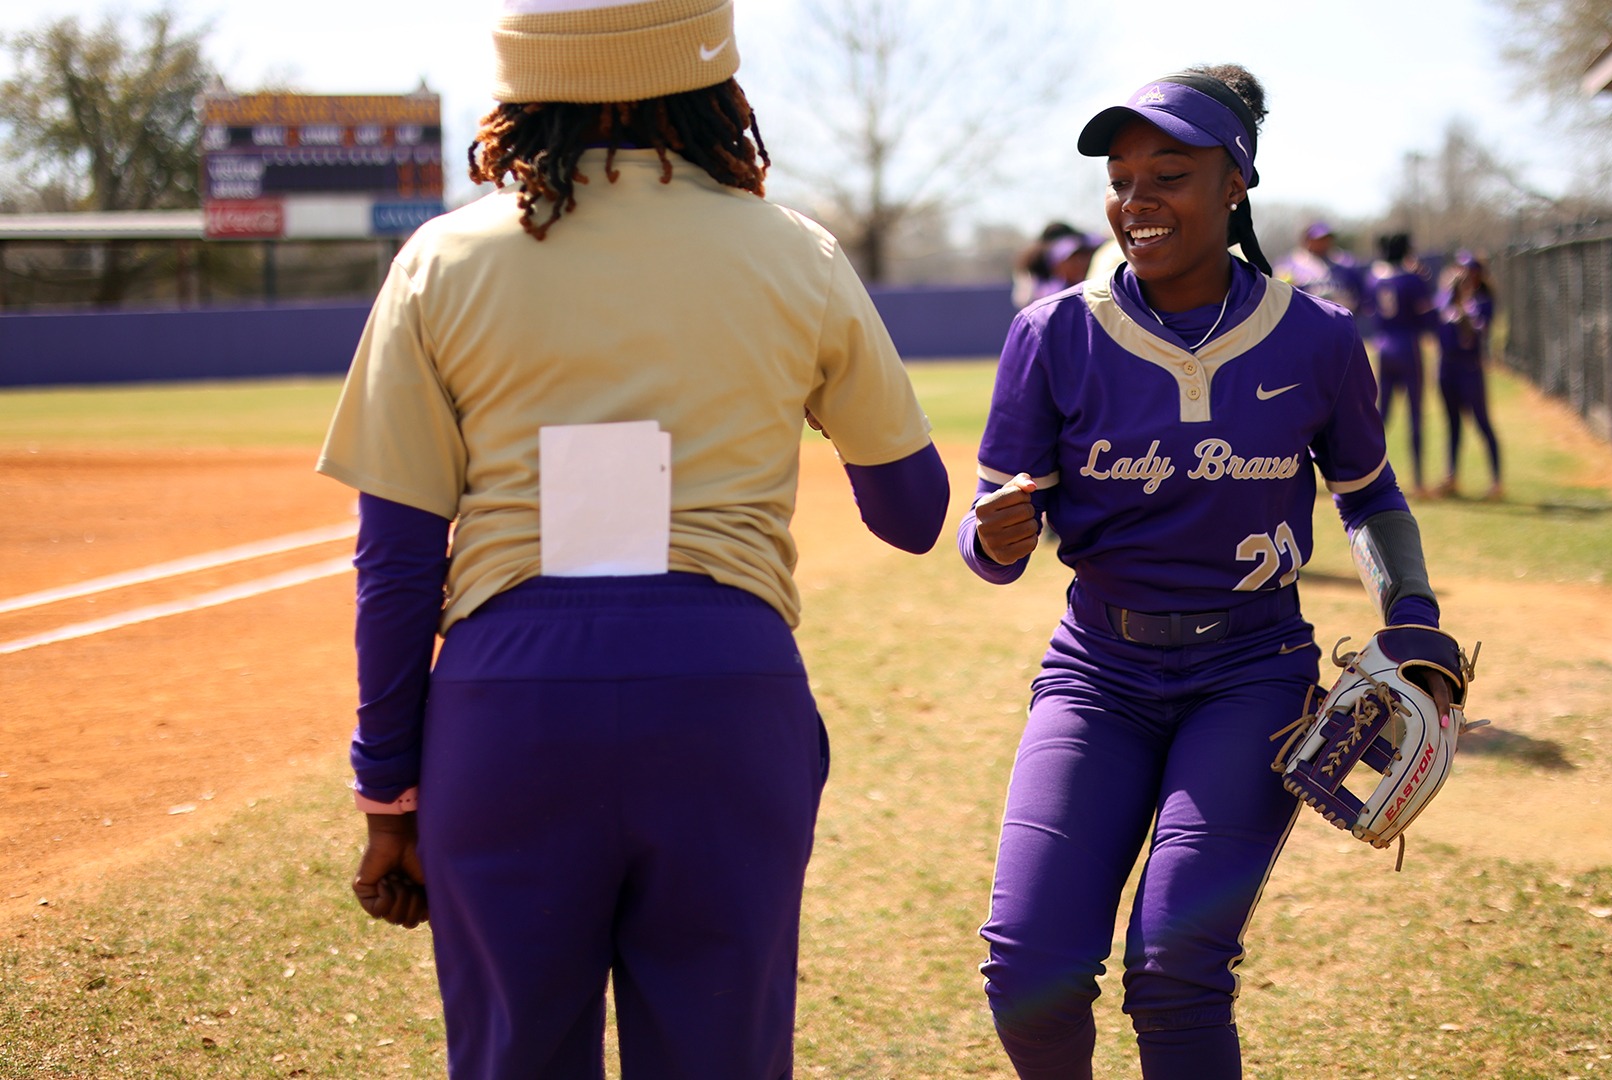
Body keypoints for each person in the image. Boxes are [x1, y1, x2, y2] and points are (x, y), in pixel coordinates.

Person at [316, 1, 949, 1075]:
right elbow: (913, 513)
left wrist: (390, 794)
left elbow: (397, 565)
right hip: (725, 696)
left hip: (504, 709)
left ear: (522, 86)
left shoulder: (442, 258)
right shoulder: (795, 253)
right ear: (715, 79)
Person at [959, 63, 1466, 1079]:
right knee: (1026, 972)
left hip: (1250, 675)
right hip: (1097, 672)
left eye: (1169, 174)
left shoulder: (1316, 337)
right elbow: (986, 540)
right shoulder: (1054, 334)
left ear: (1235, 183)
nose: (1137, 201)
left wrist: (1412, 608)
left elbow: (1367, 494)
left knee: (1176, 970)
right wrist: (996, 537)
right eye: (1121, 177)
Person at [1367, 232, 1436, 493]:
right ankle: (1418, 480)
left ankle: (1369, 474)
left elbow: (1369, 309)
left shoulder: (1374, 277)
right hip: (1408, 346)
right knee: (1415, 413)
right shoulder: (1412, 279)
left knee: (1382, 414)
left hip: (1383, 346)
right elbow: (1428, 318)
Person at [1434, 251, 1502, 499]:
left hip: (1469, 369)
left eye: (1470, 272)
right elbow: (1437, 325)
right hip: (1446, 368)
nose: (1465, 276)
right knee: (1452, 424)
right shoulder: (1445, 299)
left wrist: (1462, 306)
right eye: (1461, 271)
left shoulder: (1483, 302)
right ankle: (1451, 478)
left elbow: (1472, 334)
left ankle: (1497, 482)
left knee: (1482, 423)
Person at [1279, 220, 1364, 313]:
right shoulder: (1290, 265)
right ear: (1307, 240)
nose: (1323, 243)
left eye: (1326, 239)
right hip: (1307, 319)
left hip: (1339, 319)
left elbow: (1359, 294)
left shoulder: (1346, 263)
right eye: (1318, 239)